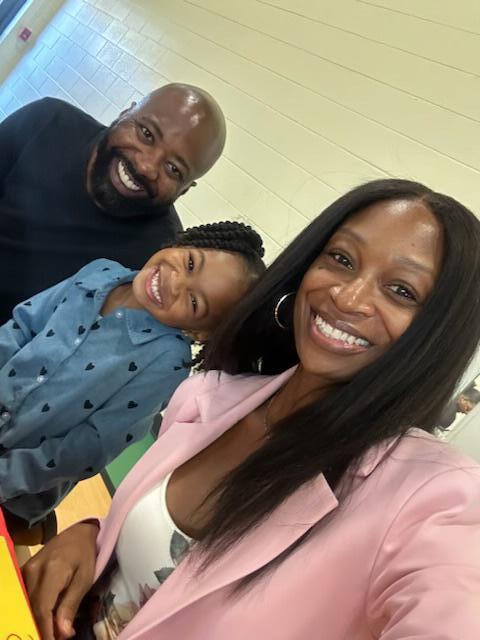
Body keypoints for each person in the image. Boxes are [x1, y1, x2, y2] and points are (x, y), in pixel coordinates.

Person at [23, 179, 480, 640]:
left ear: (438, 333)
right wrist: (93, 536)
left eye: (401, 290)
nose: (348, 297)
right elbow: (160, 558)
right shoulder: (208, 395)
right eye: (342, 259)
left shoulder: (432, 494)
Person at [0, 221, 265, 529]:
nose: (175, 283)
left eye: (194, 302)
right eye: (191, 263)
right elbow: (23, 325)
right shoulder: (99, 272)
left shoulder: (167, 360)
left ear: (199, 332)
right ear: (184, 241)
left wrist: (6, 476)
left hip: (15, 489)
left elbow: (91, 447)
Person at [0, 83, 227, 325]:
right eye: (146, 134)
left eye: (173, 169)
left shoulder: (156, 259)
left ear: (184, 191)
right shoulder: (48, 122)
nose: (146, 166)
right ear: (126, 112)